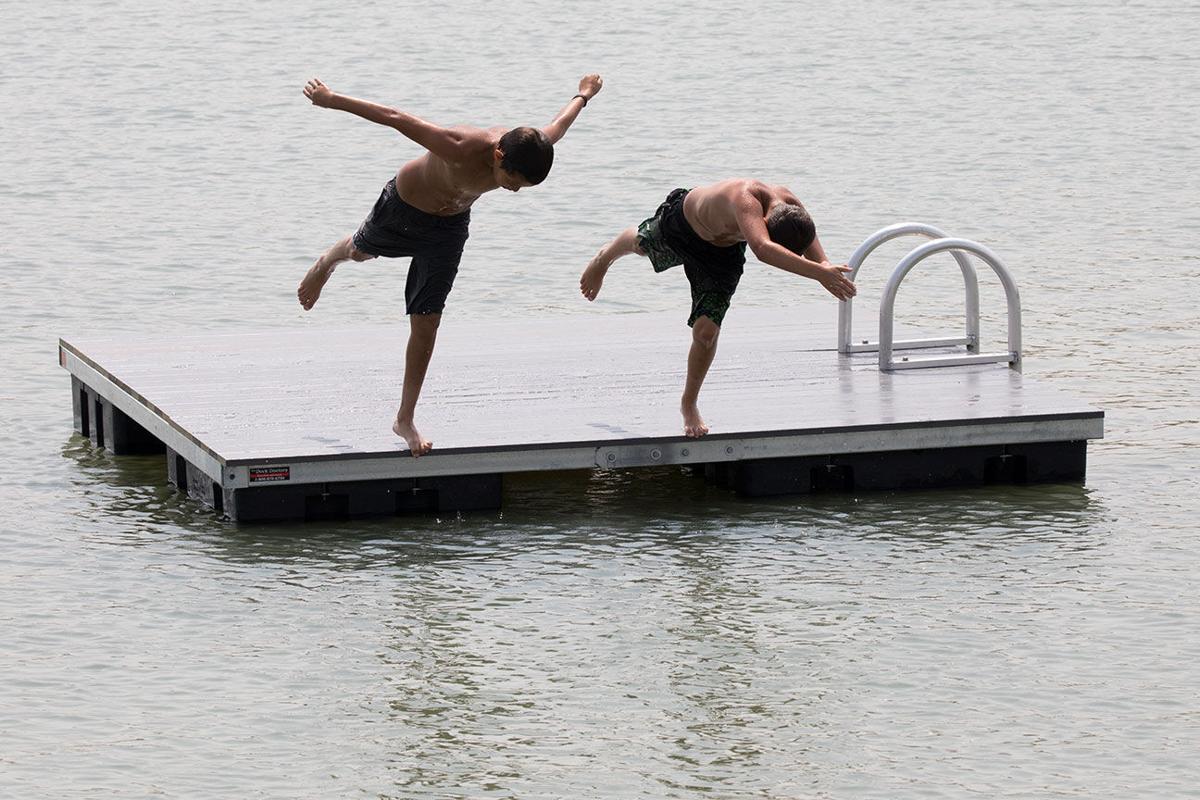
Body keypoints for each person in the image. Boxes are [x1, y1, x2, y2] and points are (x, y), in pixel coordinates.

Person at [297, 75, 603, 456]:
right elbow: (394, 116)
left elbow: (558, 125)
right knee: (360, 251)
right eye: (512, 181)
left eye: (523, 187)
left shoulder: (529, 149)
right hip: (403, 209)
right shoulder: (458, 146)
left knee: (427, 320)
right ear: (498, 156)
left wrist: (584, 94)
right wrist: (330, 99)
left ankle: (404, 418)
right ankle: (327, 261)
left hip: (449, 227)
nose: (513, 190)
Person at [579, 179, 857, 438]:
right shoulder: (746, 200)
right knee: (641, 244)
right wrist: (818, 273)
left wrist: (824, 269)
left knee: (706, 333)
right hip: (684, 226)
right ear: (761, 222)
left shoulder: (790, 206)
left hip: (722, 254)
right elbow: (761, 248)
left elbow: (809, 243)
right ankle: (606, 256)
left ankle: (689, 404)